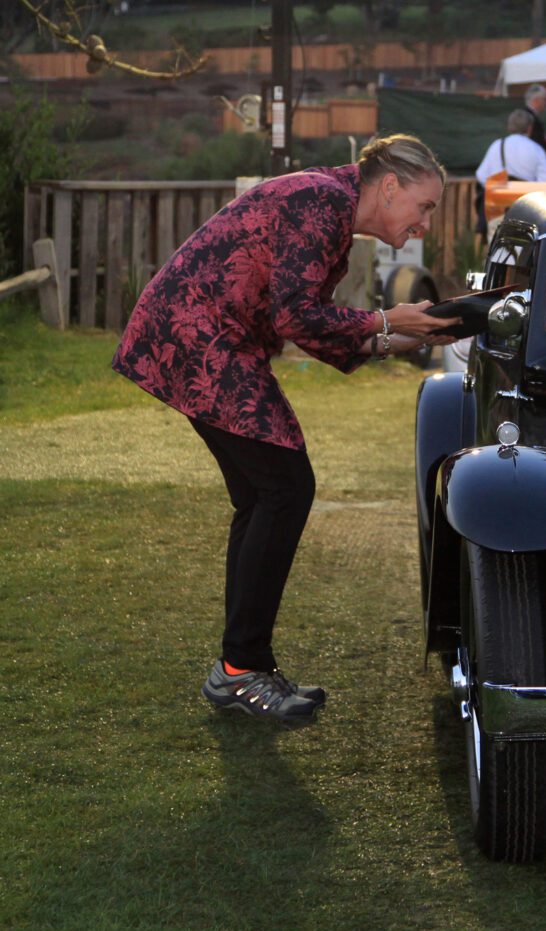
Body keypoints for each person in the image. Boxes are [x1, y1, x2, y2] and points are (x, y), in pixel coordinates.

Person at [111, 135, 459, 725]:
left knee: (261, 497)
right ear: (391, 186)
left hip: (208, 335)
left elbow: (309, 325)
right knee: (284, 489)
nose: (425, 224)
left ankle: (241, 667)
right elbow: (295, 315)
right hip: (202, 334)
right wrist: (381, 318)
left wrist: (397, 339)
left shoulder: (330, 210)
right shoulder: (322, 202)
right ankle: (241, 667)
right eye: (424, 207)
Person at [476, 109, 546, 185]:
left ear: (509, 126)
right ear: (530, 128)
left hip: (499, 196)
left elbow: (481, 175)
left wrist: (495, 189)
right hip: (526, 196)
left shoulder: (497, 145)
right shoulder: (536, 149)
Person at [523, 83, 546, 172]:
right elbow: (538, 142)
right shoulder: (529, 118)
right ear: (536, 101)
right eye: (545, 99)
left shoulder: (529, 116)